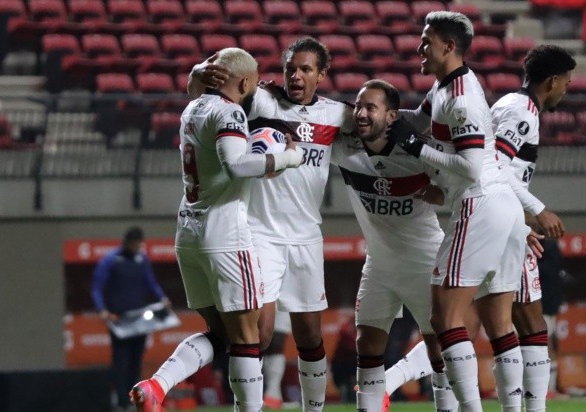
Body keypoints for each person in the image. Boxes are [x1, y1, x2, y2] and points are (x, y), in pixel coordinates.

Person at [130, 47, 304, 412]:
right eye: (253, 83)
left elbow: (198, 87)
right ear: (243, 82)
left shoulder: (192, 107)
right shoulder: (229, 111)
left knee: (224, 336)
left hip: (189, 231)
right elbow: (237, 166)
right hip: (224, 233)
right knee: (247, 338)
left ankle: (157, 386)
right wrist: (289, 157)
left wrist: (199, 70)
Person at [189, 37, 354, 412]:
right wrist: (197, 73)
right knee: (257, 335)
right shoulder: (260, 100)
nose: (296, 76)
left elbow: (377, 123)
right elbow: (204, 93)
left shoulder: (336, 114)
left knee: (311, 337)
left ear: (322, 74)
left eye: (306, 69)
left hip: (307, 237)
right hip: (260, 233)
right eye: (290, 68)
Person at [387, 11, 534, 412]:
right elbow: (417, 121)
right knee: (499, 323)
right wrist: (374, 116)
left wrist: (415, 149)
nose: (420, 48)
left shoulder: (461, 98)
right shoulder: (447, 87)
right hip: (502, 206)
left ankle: (468, 408)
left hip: (480, 203)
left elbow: (469, 167)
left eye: (426, 41)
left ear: (448, 46)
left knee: (445, 316)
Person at [330, 79, 458, 412]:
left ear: (391, 116)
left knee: (438, 347)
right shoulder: (344, 149)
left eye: (371, 107)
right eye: (358, 106)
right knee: (367, 345)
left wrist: (441, 193)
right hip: (379, 264)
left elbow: (462, 184)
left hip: (424, 261)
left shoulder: (418, 152)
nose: (361, 113)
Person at [490, 45, 576, 411]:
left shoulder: (508, 103)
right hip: (501, 225)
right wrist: (536, 211)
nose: (566, 90)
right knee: (532, 326)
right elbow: (495, 165)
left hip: (493, 219)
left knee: (458, 326)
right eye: (566, 83)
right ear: (552, 81)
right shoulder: (522, 112)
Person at [91, 226, 170, 411]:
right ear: (126, 243)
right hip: (119, 320)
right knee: (121, 360)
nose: (137, 247)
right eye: (134, 244)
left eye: (139, 244)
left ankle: (134, 400)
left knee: (136, 360)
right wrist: (102, 309)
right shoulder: (111, 260)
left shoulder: (142, 259)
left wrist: (162, 298)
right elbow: (97, 286)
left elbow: (151, 283)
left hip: (140, 320)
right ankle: (120, 401)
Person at [537, 238, 565, 396]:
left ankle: (550, 389)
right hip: (521, 304)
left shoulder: (550, 246)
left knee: (546, 344)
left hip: (545, 305)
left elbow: (552, 273)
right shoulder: (518, 240)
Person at [262, 310, 293, 409]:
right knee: (266, 348)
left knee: (276, 346)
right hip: (260, 302)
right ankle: (274, 396)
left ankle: (271, 394)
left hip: (280, 303)